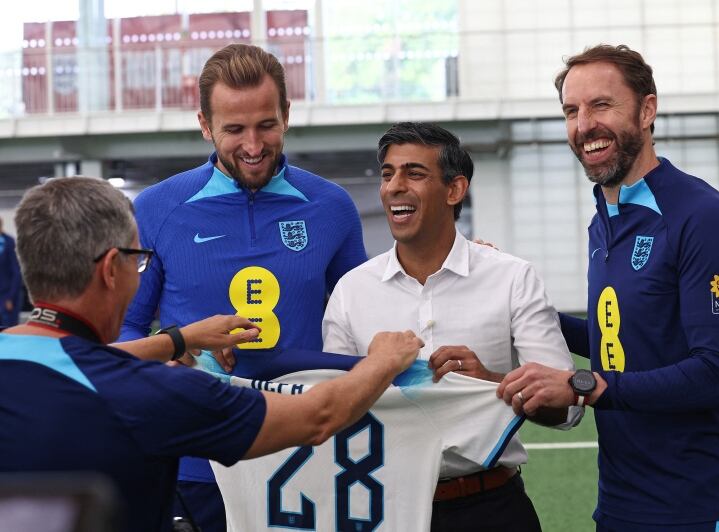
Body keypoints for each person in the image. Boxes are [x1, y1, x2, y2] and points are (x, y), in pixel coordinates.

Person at [0, 176, 422, 532]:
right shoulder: (152, 393)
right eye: (139, 261)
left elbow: (74, 358)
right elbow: (318, 416)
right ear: (112, 269)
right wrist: (384, 361)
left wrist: (178, 339)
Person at [497, 44, 719, 531]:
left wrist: (586, 385)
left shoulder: (700, 216)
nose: (584, 126)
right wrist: (509, 300)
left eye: (601, 105)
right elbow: (617, 334)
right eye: (571, 111)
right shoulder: (604, 220)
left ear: (647, 110)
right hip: (623, 502)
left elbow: (718, 373)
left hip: (702, 505)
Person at [118, 44, 367, 530]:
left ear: (287, 115)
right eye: (234, 129)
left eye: (266, 125)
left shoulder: (331, 206)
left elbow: (364, 315)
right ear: (205, 125)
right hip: (193, 461)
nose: (253, 145)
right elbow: (127, 323)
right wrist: (171, 353)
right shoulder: (156, 208)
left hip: (305, 451)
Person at [322, 121, 582, 532]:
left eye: (414, 173)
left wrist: (492, 382)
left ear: (455, 190)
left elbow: (566, 407)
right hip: (383, 509)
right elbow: (330, 412)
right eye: (388, 174)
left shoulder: (513, 277)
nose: (394, 186)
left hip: (491, 510)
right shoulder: (351, 292)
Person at [0, 216, 22, 327]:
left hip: (6, 295)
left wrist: (10, 297)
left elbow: (16, 272)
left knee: (8, 327)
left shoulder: (9, 242)